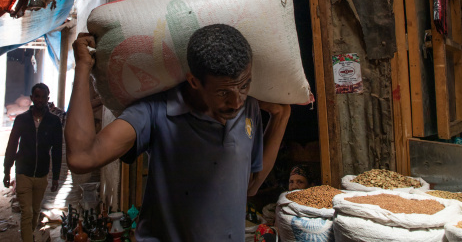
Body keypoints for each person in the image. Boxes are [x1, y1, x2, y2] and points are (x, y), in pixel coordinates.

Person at [66, 24, 291, 242]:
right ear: (193, 81)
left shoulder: (248, 108)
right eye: (223, 92)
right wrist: (83, 68)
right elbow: (82, 157)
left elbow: (250, 186)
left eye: (244, 86)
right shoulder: (155, 112)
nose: (236, 102)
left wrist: (282, 116)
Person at [3, 83, 63, 242]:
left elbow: (57, 150)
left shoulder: (54, 122)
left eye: (44, 97)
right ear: (31, 98)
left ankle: (28, 235)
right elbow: (12, 145)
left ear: (47, 99)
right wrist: (6, 171)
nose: (40, 100)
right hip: (23, 172)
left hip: (42, 174)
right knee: (27, 213)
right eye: (37, 96)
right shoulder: (22, 120)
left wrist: (55, 177)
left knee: (36, 211)